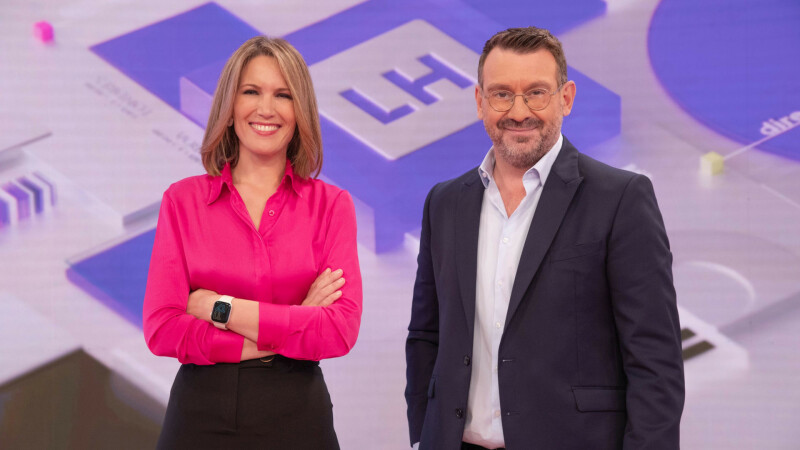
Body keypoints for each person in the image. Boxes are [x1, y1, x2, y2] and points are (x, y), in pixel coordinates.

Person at [405, 27, 684, 450]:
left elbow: (655, 361)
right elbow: (426, 336)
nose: (518, 112)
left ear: (565, 98)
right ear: (480, 102)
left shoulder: (620, 198)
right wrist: (423, 436)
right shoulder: (444, 203)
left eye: (536, 93)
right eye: (501, 94)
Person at [143, 36, 361, 449]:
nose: (266, 109)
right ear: (229, 108)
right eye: (251, 92)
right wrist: (295, 321)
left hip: (298, 415)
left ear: (300, 111)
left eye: (283, 95)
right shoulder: (183, 200)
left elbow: (338, 331)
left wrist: (218, 308)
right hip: (198, 415)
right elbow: (162, 329)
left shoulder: (331, 205)